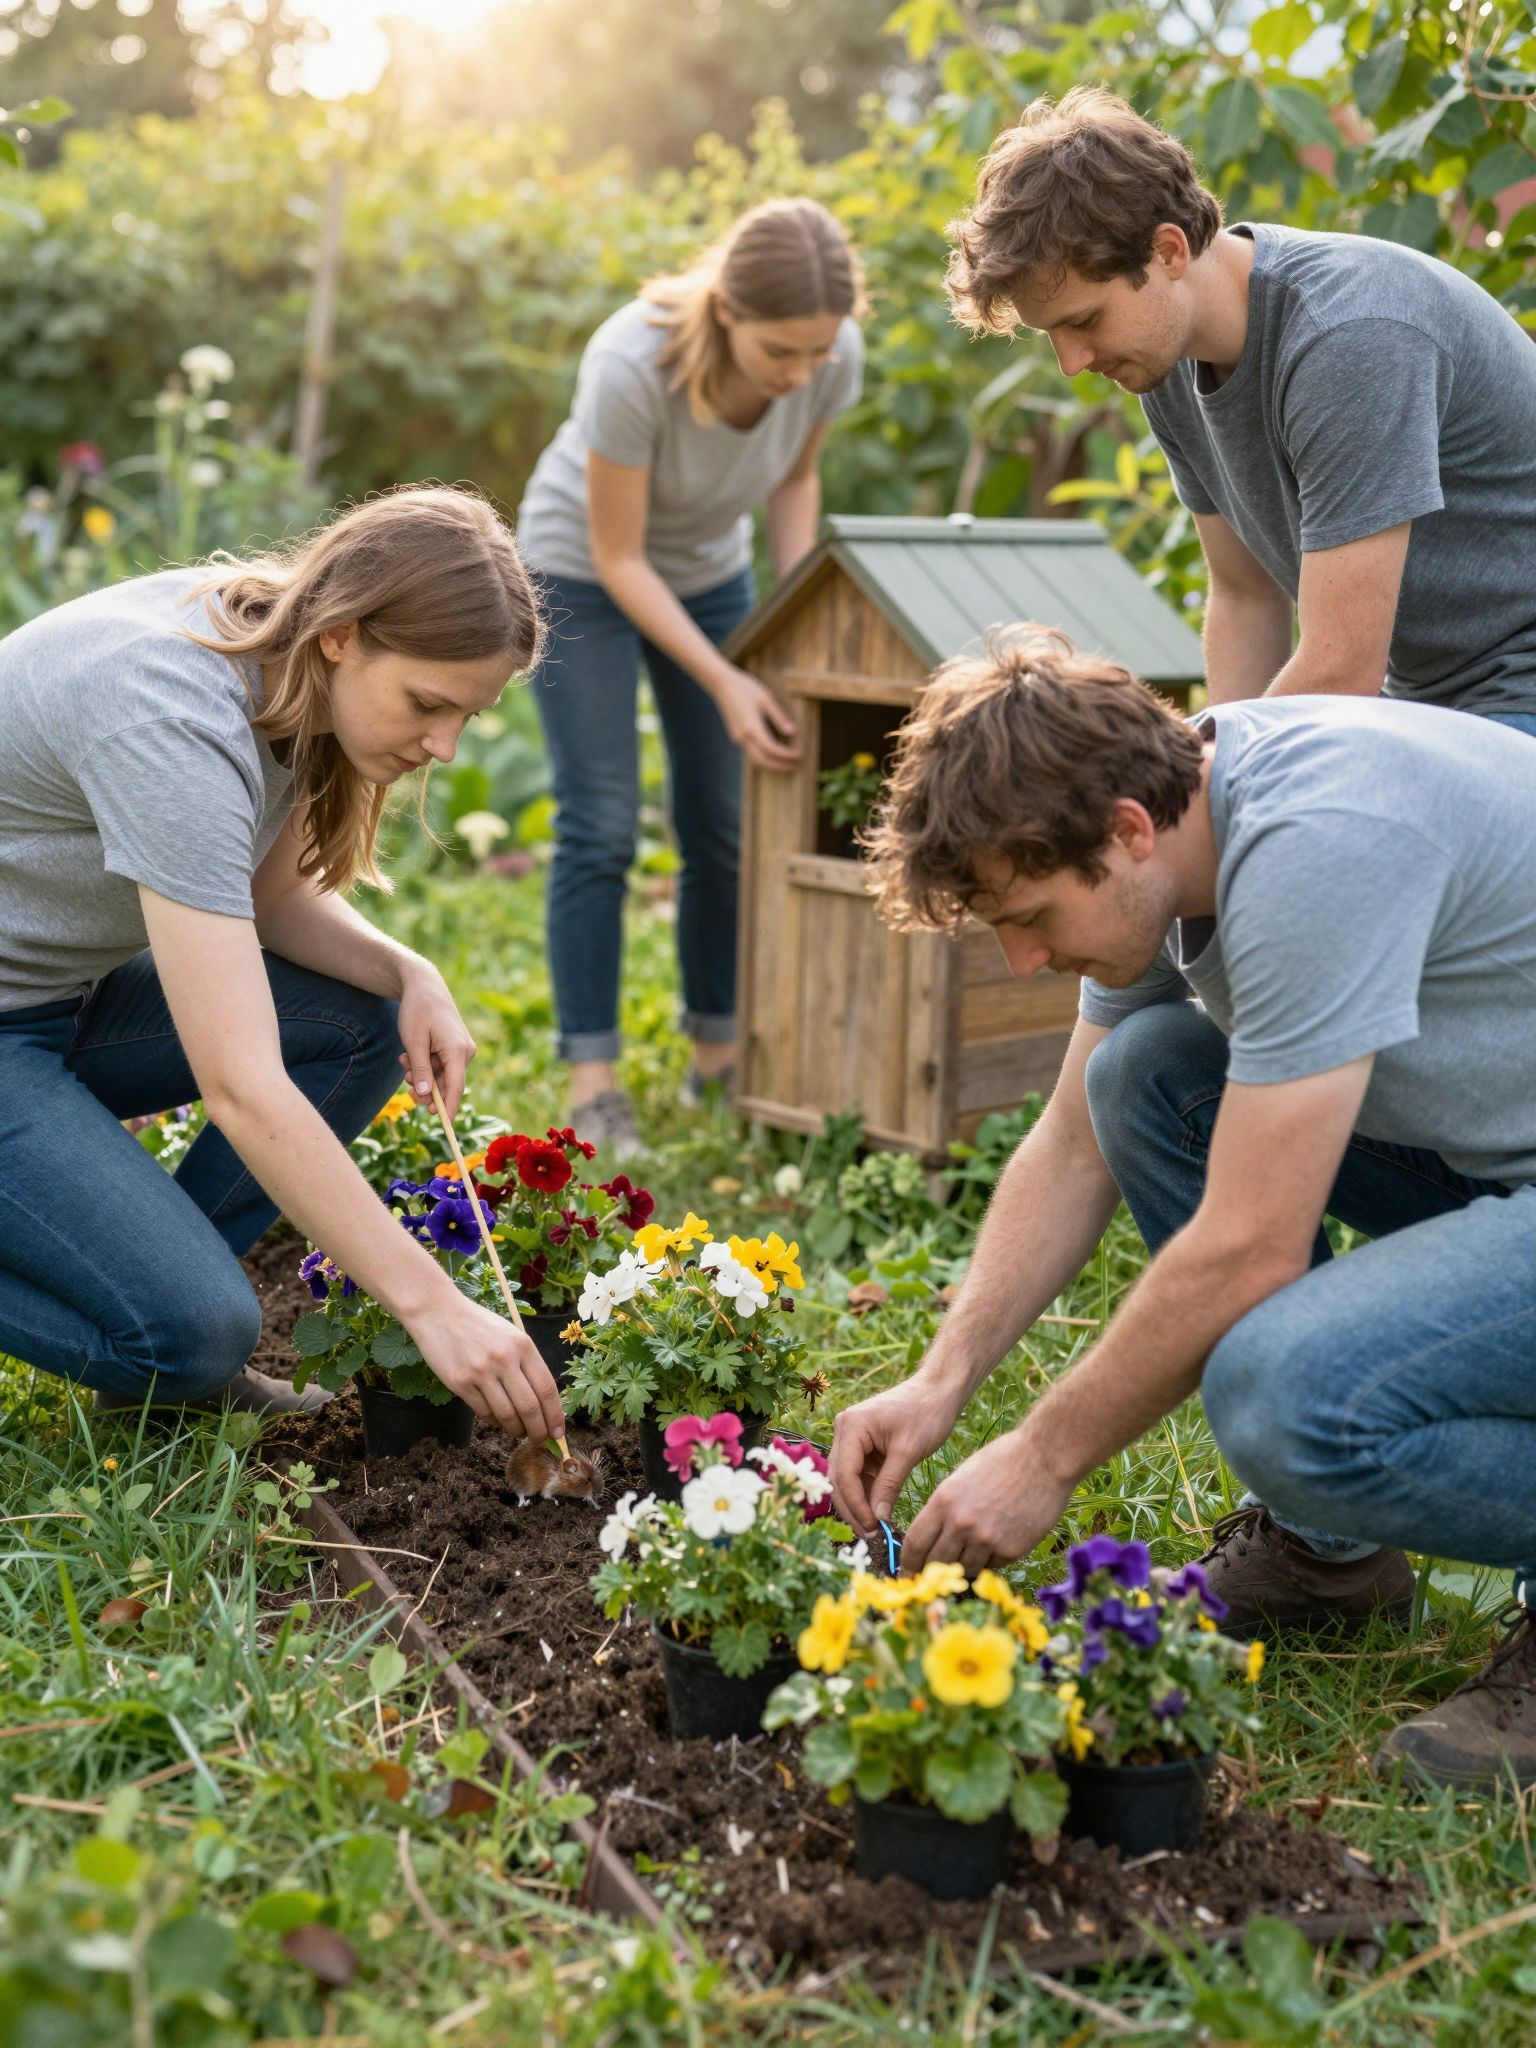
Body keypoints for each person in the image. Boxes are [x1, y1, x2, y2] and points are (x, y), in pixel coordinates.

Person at [828, 629, 1536, 1789]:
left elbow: (1250, 1248)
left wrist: (1043, 1457)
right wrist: (940, 1379)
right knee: (1144, 1076)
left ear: (1126, 828)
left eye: (1030, 913)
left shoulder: (1317, 844)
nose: (1019, 958)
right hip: (1496, 1148)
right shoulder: (1179, 831)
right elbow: (1069, 1143)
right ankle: (1329, 1557)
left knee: (1285, 1390)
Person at [0, 486, 567, 1443]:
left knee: (363, 1020)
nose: (443, 746)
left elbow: (270, 901)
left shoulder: (278, 652)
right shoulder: (168, 715)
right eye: (428, 704)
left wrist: (408, 973)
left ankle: (156, 1312)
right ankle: (169, 1352)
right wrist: (432, 1307)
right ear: (345, 633)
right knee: (192, 1334)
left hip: (51, 1003)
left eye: (467, 716)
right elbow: (243, 1086)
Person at [945, 85, 1536, 725]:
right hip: (1429, 698)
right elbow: (1245, 594)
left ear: (1168, 251)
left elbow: (1341, 672)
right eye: (1051, 335)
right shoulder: (1164, 360)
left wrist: (1200, 771)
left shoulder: (1347, 338)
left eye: (1084, 320)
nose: (1072, 362)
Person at [516, 197, 865, 1155]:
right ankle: (594, 1082)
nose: (801, 373)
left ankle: (718, 1053)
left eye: (817, 354)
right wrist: (723, 678)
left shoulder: (834, 359)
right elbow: (620, 556)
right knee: (601, 821)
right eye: (780, 353)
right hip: (579, 572)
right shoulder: (630, 363)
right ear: (726, 314)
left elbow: (794, 482)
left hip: (713, 573)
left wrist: (789, 630)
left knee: (726, 820)